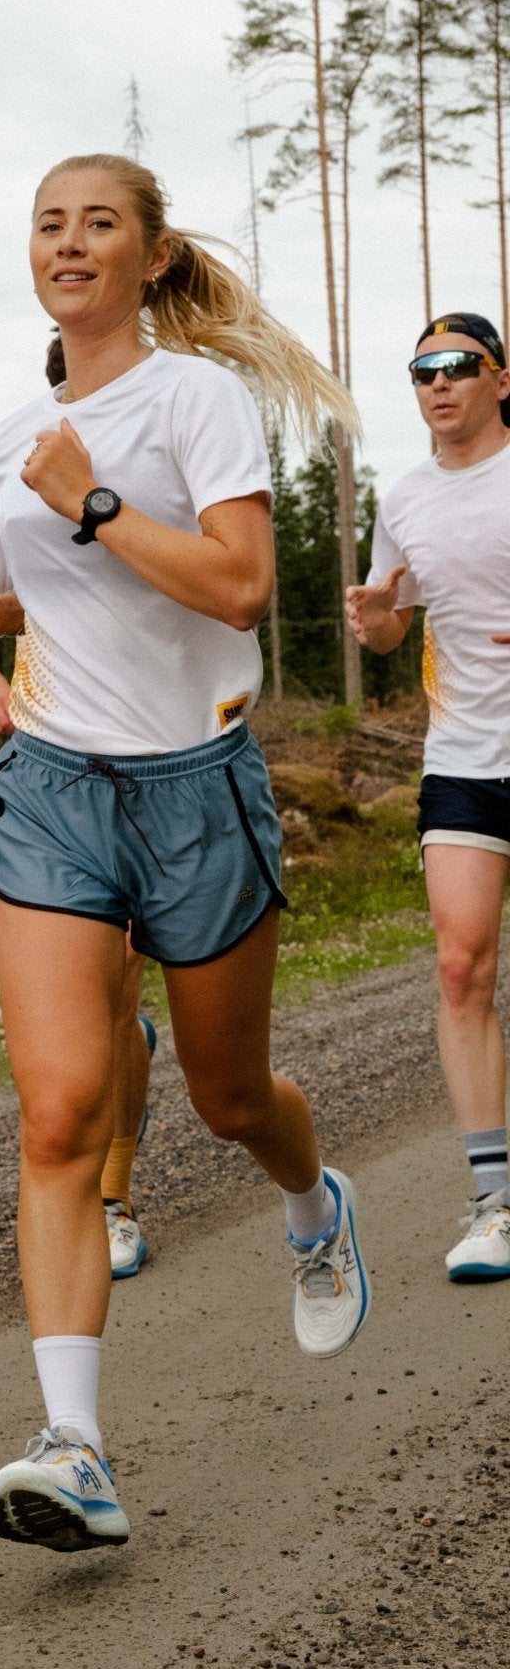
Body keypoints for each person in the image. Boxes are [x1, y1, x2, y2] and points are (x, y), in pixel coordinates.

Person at [0, 153, 368, 1555]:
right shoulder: (17, 432)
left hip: (197, 783)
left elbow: (239, 582)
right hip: (55, 786)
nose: (67, 242)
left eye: (96, 222)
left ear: (153, 256)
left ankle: (314, 1201)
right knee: (60, 1113)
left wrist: (97, 507)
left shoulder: (195, 398)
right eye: (47, 221)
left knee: (229, 1094)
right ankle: (77, 1445)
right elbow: (43, 592)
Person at [0, 332, 159, 1281]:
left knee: (125, 993)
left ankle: (113, 1183)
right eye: (61, 391)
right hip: (47, 759)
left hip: (158, 753)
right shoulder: (23, 481)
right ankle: (96, 1195)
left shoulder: (152, 473)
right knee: (97, 991)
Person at [347, 310, 510, 1283]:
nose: (438, 385)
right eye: (421, 372)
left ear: (500, 378)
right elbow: (389, 627)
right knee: (461, 970)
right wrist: (373, 623)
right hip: (461, 756)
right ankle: (496, 1203)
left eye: (457, 367)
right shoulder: (403, 498)